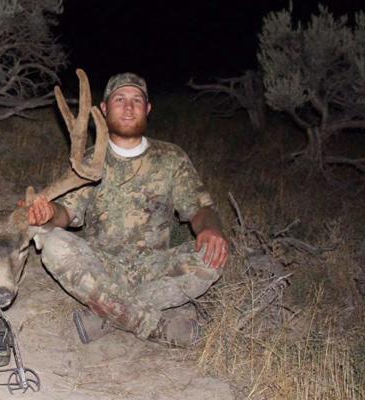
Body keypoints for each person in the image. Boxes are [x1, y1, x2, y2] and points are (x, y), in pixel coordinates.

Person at [26, 72, 229, 346]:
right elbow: (67, 213)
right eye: (120, 99)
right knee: (52, 243)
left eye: (137, 100)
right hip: (103, 266)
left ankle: (107, 314)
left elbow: (200, 209)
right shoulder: (88, 161)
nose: (129, 106)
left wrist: (211, 229)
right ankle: (156, 326)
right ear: (104, 109)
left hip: (155, 267)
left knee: (213, 253)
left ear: (147, 109)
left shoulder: (170, 157)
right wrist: (49, 213)